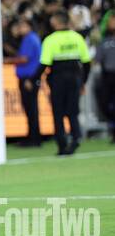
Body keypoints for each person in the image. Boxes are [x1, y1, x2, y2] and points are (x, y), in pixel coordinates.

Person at [36, 12, 91, 155]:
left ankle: (62, 143)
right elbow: (86, 63)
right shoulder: (77, 37)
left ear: (55, 22)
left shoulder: (50, 39)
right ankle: (76, 137)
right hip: (75, 77)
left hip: (58, 78)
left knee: (58, 112)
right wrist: (83, 82)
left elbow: (44, 63)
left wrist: (34, 79)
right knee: (73, 111)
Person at [5, 17, 42, 146]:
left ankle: (34, 138)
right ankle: (32, 136)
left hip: (29, 78)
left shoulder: (29, 39)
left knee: (31, 108)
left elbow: (25, 59)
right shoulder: (31, 39)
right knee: (30, 108)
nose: (19, 28)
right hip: (30, 77)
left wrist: (7, 61)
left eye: (22, 26)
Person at [95, 13, 115, 143]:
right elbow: (97, 59)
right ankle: (112, 127)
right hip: (108, 76)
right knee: (104, 103)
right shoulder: (104, 41)